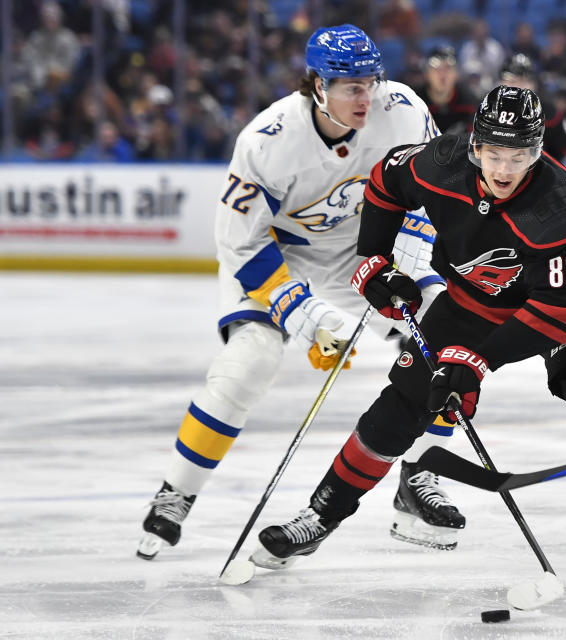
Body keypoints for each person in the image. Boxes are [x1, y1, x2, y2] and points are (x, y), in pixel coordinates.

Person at [249, 85, 566, 590]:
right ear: (476, 146)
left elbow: (564, 311)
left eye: (520, 156)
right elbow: (385, 181)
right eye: (495, 154)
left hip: (561, 310)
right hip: (468, 302)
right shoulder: (441, 162)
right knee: (401, 406)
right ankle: (320, 516)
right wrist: (373, 259)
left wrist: (478, 359)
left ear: (539, 149)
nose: (504, 170)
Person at [138, 24, 468, 560]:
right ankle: (178, 490)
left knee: (447, 330)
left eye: (370, 82)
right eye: (350, 86)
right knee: (251, 360)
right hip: (277, 252)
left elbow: (437, 189)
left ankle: (420, 478)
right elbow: (240, 242)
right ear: (317, 85)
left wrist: (410, 245)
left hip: (361, 248)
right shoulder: (267, 141)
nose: (366, 97)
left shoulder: (402, 110)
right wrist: (302, 310)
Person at [498, 53, 566, 161]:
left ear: (533, 84)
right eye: (511, 80)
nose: (517, 86)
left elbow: (561, 149)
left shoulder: (550, 113)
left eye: (523, 81)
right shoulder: (487, 109)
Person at [413, 46, 478, 137]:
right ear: (426, 74)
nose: (442, 75)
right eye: (436, 68)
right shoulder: (415, 103)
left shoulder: (471, 105)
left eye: (448, 68)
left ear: (457, 74)